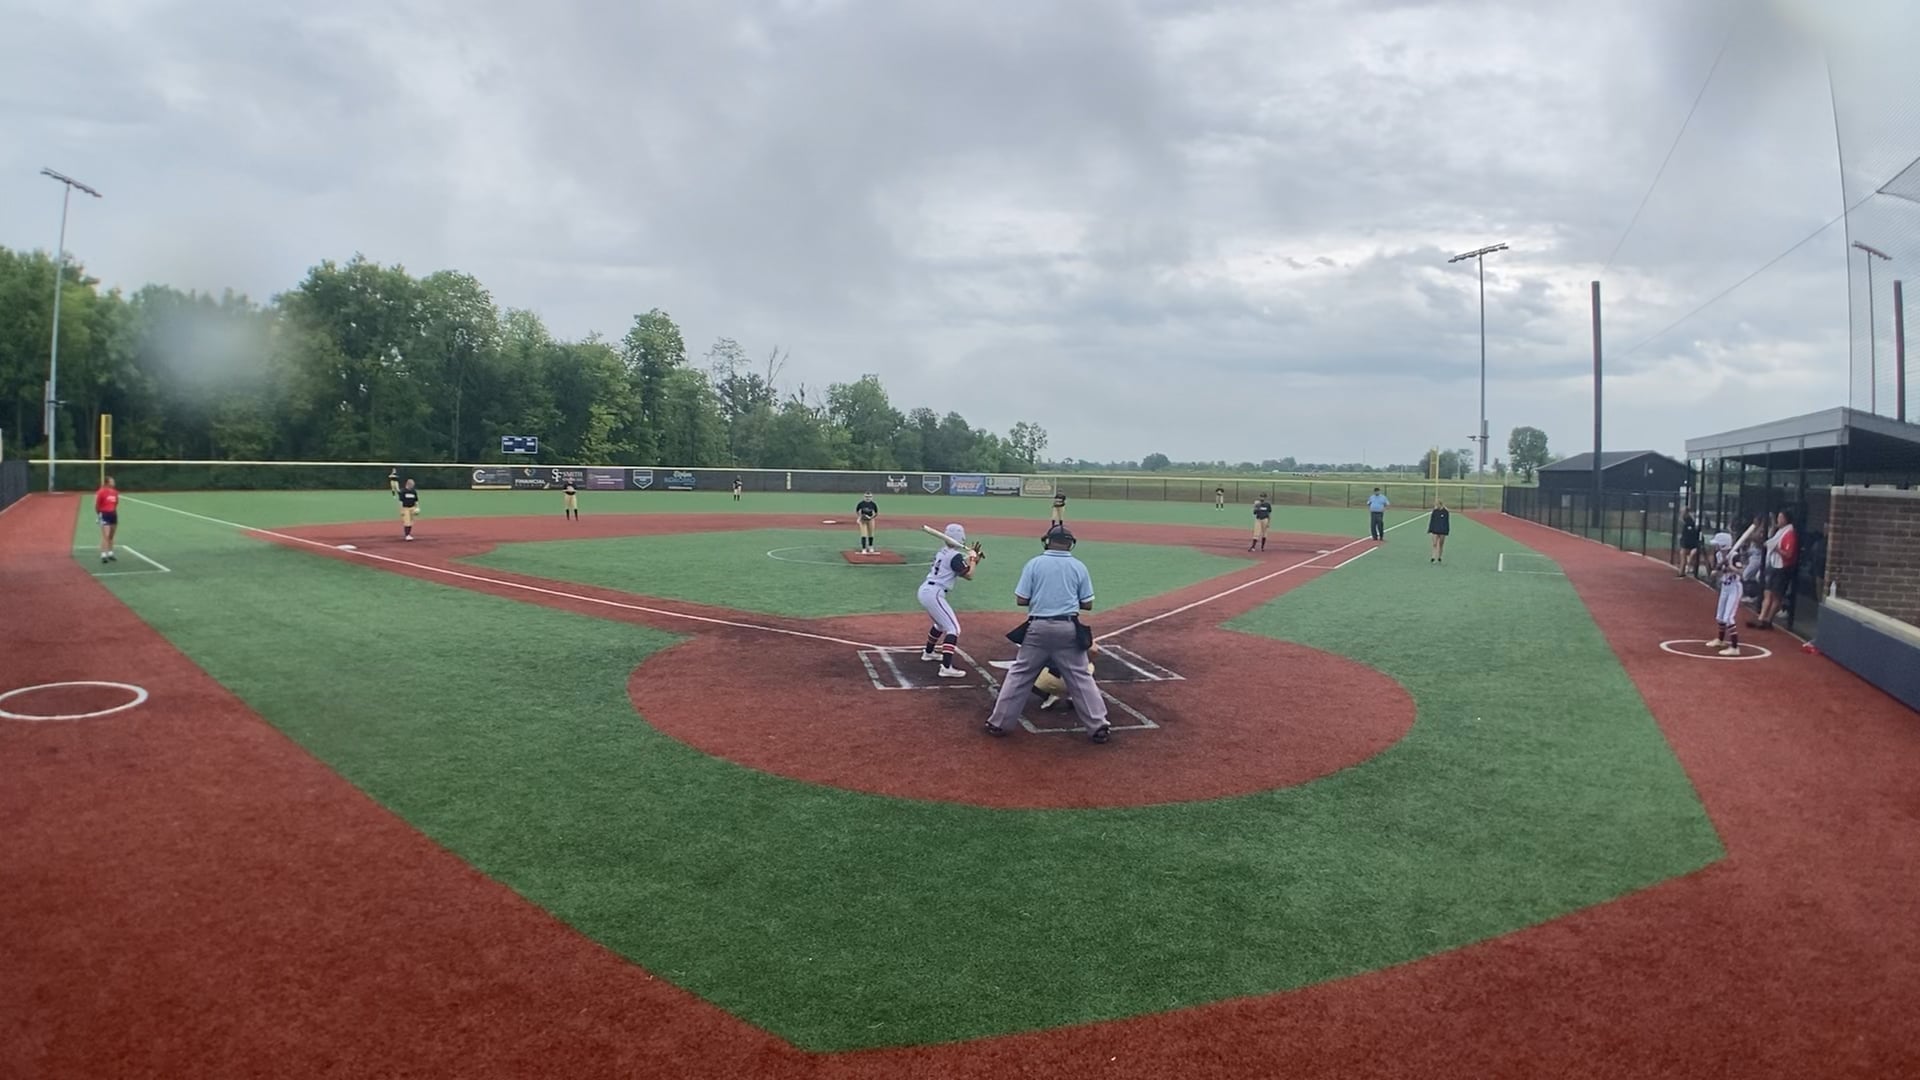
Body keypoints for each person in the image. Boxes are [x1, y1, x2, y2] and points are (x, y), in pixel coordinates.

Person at [983, 525, 1110, 743]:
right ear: (1070, 544)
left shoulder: (1034, 564)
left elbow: (1021, 599)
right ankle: (1098, 726)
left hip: (1038, 629)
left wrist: (1045, 598)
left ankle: (999, 723)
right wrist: (1065, 599)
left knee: (1020, 674)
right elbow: (1087, 603)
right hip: (1068, 629)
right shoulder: (1079, 566)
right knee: (1081, 677)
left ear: (1047, 542)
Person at [916, 523, 981, 678]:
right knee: (954, 629)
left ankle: (928, 653)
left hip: (927, 590)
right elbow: (969, 576)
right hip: (934, 593)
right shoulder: (955, 556)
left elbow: (963, 569)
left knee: (940, 625)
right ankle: (946, 668)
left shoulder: (944, 552)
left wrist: (973, 560)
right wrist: (972, 558)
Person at [1751, 509, 1798, 631]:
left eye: (1781, 518)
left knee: (1776, 596)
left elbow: (1788, 554)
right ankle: (1761, 618)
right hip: (1774, 565)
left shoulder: (1789, 534)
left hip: (1782, 568)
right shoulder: (1779, 532)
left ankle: (1768, 620)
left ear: (1786, 520)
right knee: (1767, 592)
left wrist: (1776, 549)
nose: (1778, 520)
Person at [1707, 531, 1745, 656]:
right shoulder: (1719, 555)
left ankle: (1735, 647)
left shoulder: (1734, 556)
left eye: (1718, 544)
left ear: (1723, 545)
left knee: (1728, 617)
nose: (1716, 546)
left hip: (1734, 588)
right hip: (1724, 587)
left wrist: (1730, 567)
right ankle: (1720, 640)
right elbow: (1720, 571)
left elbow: (1741, 572)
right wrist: (1718, 570)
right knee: (1720, 616)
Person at [1033, 643, 1100, 712]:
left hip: (1051, 678)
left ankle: (1047, 696)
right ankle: (1078, 696)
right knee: (1089, 665)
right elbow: (1093, 651)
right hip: (1078, 678)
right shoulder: (1077, 635)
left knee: (1029, 671)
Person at [94, 475, 120, 563]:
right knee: (106, 535)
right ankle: (103, 555)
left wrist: (112, 510)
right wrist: (99, 515)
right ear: (107, 483)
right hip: (104, 514)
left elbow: (116, 503)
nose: (114, 482)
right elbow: (97, 505)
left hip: (113, 514)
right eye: (112, 481)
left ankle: (110, 553)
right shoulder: (101, 492)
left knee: (111, 535)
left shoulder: (115, 492)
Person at [1677, 509, 1702, 578]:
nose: (1681, 514)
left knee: (1686, 555)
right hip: (1686, 543)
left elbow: (1691, 534)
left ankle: (1685, 570)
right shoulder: (1685, 521)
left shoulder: (1690, 522)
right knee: (1683, 556)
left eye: (1682, 512)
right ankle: (1682, 571)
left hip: (1690, 544)